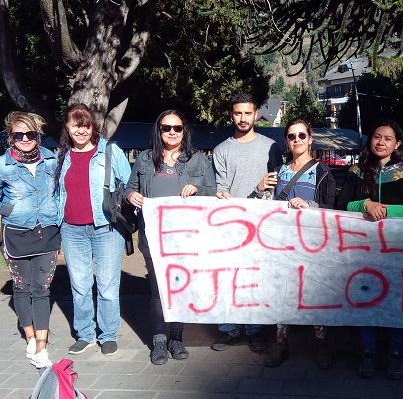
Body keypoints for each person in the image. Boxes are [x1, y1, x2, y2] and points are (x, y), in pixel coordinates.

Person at [335, 119, 403, 379]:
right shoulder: (356, 172)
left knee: (397, 302)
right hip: (363, 250)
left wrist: (384, 210)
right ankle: (368, 353)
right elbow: (341, 205)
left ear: (397, 144)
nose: (381, 142)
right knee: (367, 300)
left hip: (399, 249)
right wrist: (365, 204)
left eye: (388, 138)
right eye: (377, 136)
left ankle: (397, 355)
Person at [125, 109, 216, 365]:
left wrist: (197, 188)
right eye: (167, 128)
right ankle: (159, 342)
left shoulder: (198, 160)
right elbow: (131, 188)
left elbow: (212, 190)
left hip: (186, 238)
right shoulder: (144, 159)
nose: (172, 132)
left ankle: (177, 337)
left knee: (179, 288)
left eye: (177, 128)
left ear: (184, 131)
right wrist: (131, 196)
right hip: (153, 236)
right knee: (158, 291)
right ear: (159, 130)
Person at [252, 118, 336, 369]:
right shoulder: (278, 172)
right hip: (283, 245)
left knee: (316, 293)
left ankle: (321, 343)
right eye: (291, 136)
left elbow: (333, 209)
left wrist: (311, 206)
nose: (297, 140)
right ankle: (281, 342)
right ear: (286, 141)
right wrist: (258, 189)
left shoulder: (323, 172)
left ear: (310, 139)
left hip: (313, 245)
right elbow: (263, 206)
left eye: (301, 135)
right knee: (283, 293)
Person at [0, 111, 61, 369]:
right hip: (15, 236)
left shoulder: (52, 159)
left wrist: (55, 212)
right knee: (21, 287)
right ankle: (29, 335)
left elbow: (62, 190)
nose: (25, 139)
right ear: (10, 137)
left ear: (38, 135)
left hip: (48, 233)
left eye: (30, 134)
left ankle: (41, 345)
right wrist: (13, 212)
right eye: (19, 134)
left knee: (41, 289)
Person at [55, 103, 132, 357]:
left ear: (93, 126)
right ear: (67, 127)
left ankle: (108, 334)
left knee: (108, 285)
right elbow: (57, 193)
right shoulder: (62, 156)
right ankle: (85, 333)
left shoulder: (110, 151)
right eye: (75, 124)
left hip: (105, 228)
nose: (81, 130)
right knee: (79, 284)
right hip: (71, 229)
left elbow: (129, 183)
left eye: (85, 124)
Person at [211, 93, 283, 352]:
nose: (243, 118)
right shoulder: (221, 150)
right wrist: (225, 195)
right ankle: (228, 329)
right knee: (228, 278)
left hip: (263, 226)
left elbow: (278, 186)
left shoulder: (271, 147)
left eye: (247, 113)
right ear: (232, 115)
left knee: (255, 280)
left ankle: (255, 330)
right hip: (231, 226)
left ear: (256, 115)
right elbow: (221, 188)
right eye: (238, 113)